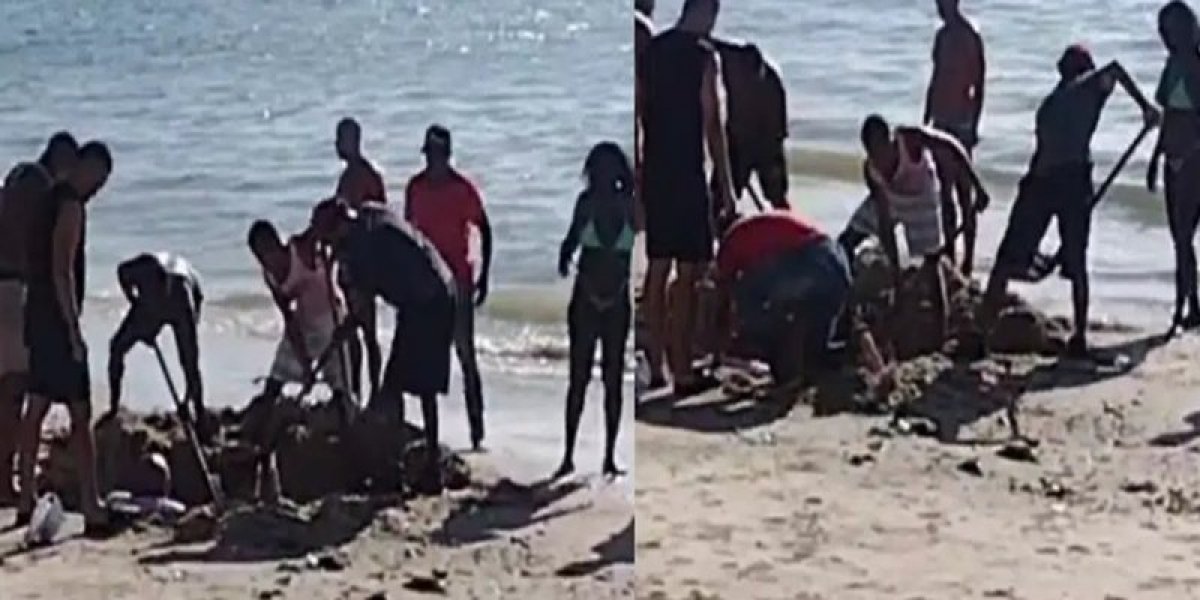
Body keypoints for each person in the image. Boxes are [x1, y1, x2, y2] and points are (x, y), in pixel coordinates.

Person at [983, 46, 1160, 357]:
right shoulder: (1083, 89)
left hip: (1045, 180)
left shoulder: (1051, 103)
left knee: (1009, 261)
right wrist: (1145, 107)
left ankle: (982, 331)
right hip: (1064, 179)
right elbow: (1115, 68)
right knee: (1074, 262)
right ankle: (1077, 335)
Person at [311, 199, 457, 494]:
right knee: (409, 384)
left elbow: (363, 308)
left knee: (399, 386)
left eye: (328, 238)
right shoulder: (370, 212)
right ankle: (417, 462)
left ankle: (399, 467)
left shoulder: (362, 250)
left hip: (428, 301)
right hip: (436, 289)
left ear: (340, 226)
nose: (329, 247)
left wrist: (345, 329)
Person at [16, 140, 112, 535]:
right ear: (86, 168)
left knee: (36, 405)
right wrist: (74, 330)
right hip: (56, 319)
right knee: (80, 412)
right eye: (99, 180)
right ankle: (91, 504)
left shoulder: (46, 198)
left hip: (35, 311)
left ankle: (25, 496)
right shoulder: (71, 205)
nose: (98, 189)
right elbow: (62, 270)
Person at [642, 0, 737, 395]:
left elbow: (638, 110)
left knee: (657, 267)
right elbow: (713, 123)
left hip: (655, 170)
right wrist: (727, 186)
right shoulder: (704, 56)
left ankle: (656, 364)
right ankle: (682, 368)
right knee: (690, 272)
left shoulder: (653, 51)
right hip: (687, 172)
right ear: (707, 12)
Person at [839, 115, 989, 346]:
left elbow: (953, 147)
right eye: (873, 153)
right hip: (891, 197)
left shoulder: (910, 139)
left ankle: (940, 336)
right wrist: (896, 276)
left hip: (922, 197)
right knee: (846, 242)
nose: (880, 159)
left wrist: (977, 187)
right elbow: (885, 224)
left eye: (882, 150)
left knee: (932, 265)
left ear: (890, 139)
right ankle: (844, 311)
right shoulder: (872, 171)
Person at [712, 210, 888, 388]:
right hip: (837, 262)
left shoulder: (731, 240)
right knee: (816, 352)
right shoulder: (762, 223)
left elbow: (723, 293)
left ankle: (764, 349)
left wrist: (720, 345)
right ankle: (851, 357)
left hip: (812, 260)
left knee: (748, 290)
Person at [405, 125, 491, 451]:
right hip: (426, 285)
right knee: (428, 361)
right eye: (428, 154)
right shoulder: (415, 188)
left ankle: (477, 432)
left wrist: (484, 276)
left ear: (448, 155)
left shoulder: (462, 189)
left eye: (438, 154)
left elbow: (484, 228)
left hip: (458, 283)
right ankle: (431, 437)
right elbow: (409, 236)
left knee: (465, 356)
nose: (433, 160)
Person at [554, 142, 635, 480]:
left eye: (608, 170)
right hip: (587, 301)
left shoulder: (631, 207)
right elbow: (567, 249)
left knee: (612, 382)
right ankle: (569, 454)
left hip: (615, 302)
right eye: (597, 170)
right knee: (580, 380)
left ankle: (609, 456)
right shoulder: (585, 205)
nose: (602, 176)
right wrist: (565, 257)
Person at [0, 163, 53, 503]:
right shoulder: (33, 222)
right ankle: (5, 479)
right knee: (13, 396)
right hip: (14, 297)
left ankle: (5, 476)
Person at [107, 253, 206, 434]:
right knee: (116, 346)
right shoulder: (143, 267)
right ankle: (113, 406)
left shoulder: (184, 303)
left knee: (189, 362)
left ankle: (197, 410)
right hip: (149, 299)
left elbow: (192, 361)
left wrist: (185, 401)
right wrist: (134, 301)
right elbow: (121, 272)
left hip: (185, 296)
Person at [924, 0, 987, 275]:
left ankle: (969, 256)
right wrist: (927, 113)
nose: (940, 7)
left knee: (964, 191)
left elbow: (979, 83)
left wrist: (974, 123)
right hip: (940, 118)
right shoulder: (942, 36)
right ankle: (949, 248)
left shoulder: (969, 35)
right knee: (944, 193)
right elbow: (936, 75)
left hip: (961, 120)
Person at [1148, 1, 1200, 333]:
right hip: (1172, 159)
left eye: (1171, 30)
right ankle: (1190, 303)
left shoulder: (1198, 66)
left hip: (1193, 161)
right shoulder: (1172, 66)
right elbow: (1167, 116)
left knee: (1184, 235)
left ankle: (1186, 306)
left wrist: (1189, 155)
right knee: (1179, 238)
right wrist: (1156, 159)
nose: (1167, 37)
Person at [334, 117, 387, 209]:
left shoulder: (357, 177)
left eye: (340, 139)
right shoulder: (363, 172)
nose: (336, 144)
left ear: (351, 141)